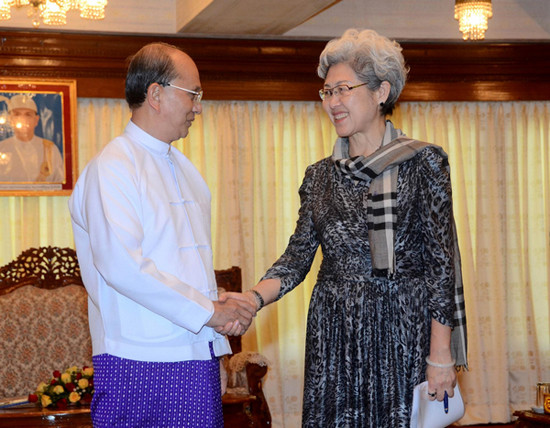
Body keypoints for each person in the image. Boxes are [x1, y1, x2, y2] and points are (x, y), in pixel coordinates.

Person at [239, 29, 468, 427]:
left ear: (382, 91)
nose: (332, 102)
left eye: (343, 89)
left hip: (402, 328)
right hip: (334, 332)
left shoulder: (424, 163)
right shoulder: (319, 177)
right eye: (326, 92)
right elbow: (297, 257)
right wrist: (251, 300)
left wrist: (440, 355)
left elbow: (441, 267)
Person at [68, 42, 256, 428]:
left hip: (194, 356)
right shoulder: (113, 166)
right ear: (156, 94)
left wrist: (215, 348)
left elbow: (193, 272)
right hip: (137, 361)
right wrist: (211, 313)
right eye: (194, 94)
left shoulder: (186, 169)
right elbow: (121, 266)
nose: (198, 107)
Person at [0, 94, 64, 182]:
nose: (22, 119)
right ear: (10, 120)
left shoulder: (50, 149)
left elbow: (60, 183)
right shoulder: (2, 148)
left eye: (28, 115)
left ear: (36, 120)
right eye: (17, 114)